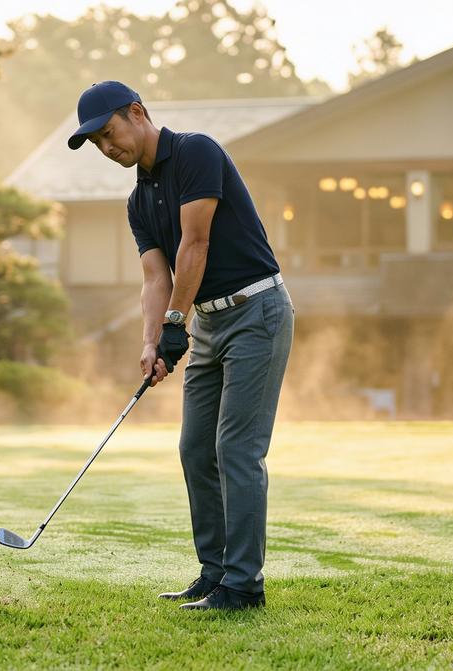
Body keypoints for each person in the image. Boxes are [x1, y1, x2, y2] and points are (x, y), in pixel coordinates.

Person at [68, 81, 294, 611]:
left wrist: (175, 323)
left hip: (256, 312)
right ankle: (214, 573)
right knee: (196, 448)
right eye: (97, 143)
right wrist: (153, 342)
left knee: (236, 449)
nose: (107, 148)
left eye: (108, 133)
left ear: (138, 113)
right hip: (210, 325)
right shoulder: (138, 199)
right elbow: (154, 276)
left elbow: (196, 243)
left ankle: (243, 585)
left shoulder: (195, 151)